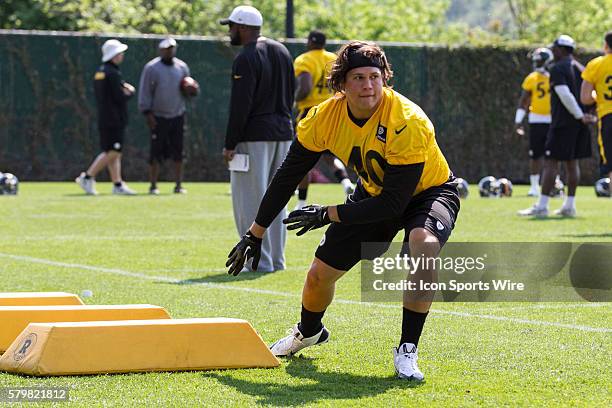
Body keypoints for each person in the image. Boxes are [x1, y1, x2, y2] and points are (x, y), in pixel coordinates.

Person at [226, 41, 460, 381]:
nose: (368, 86)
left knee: (422, 245)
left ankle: (407, 349)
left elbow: (395, 204)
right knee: (318, 276)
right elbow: (287, 177)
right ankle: (308, 331)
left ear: (385, 79)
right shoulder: (325, 117)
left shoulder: (406, 120)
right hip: (374, 193)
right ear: (341, 84)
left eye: (375, 77)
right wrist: (255, 232)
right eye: (359, 78)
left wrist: (327, 213)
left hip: (428, 192)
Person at [220, 5, 295, 272]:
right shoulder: (282, 51)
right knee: (277, 198)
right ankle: (275, 260)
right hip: (284, 133)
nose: (229, 32)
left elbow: (241, 105)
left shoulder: (245, 57)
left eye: (231, 26)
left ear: (241, 27)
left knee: (250, 200)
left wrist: (230, 143)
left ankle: (257, 261)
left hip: (253, 136)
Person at [518, 35, 596, 217]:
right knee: (572, 163)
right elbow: (591, 92)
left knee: (551, 163)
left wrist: (578, 114)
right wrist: (589, 114)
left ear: (562, 49)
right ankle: (569, 205)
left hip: (563, 122)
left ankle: (542, 205)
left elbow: (564, 94)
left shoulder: (558, 68)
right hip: (579, 124)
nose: (553, 51)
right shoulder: (580, 68)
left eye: (555, 48)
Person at [293, 30, 354, 210]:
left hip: (311, 112)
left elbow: (305, 87)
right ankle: (345, 183)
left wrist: (295, 100)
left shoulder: (304, 59)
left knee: (303, 158)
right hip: (332, 111)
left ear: (310, 42)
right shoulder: (334, 59)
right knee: (329, 155)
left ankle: (302, 202)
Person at [76, 39, 136, 195]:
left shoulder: (101, 72)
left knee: (115, 152)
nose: (122, 55)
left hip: (106, 117)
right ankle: (88, 176)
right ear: (114, 55)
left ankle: (117, 184)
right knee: (113, 151)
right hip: (114, 119)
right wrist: (130, 93)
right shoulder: (112, 73)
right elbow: (119, 97)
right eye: (120, 53)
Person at [138, 37, 197, 195]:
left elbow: (188, 91)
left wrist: (192, 89)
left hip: (177, 114)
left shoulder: (181, 66)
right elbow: (145, 91)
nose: (170, 51)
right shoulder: (152, 68)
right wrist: (147, 113)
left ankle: (178, 185)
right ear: (161, 50)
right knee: (155, 152)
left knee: (178, 151)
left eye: (172, 48)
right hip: (158, 116)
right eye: (167, 48)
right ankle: (153, 185)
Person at [514, 48, 553, 197]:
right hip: (536, 119)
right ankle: (535, 186)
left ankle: (553, 183)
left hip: (552, 120)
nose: (537, 63)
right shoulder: (532, 78)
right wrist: (518, 122)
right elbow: (524, 101)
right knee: (535, 155)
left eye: (539, 61)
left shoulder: (555, 77)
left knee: (553, 155)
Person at [581, 31, 612, 186]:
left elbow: (585, 97)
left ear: (606, 45)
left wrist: (597, 95)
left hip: (608, 116)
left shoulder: (596, 64)